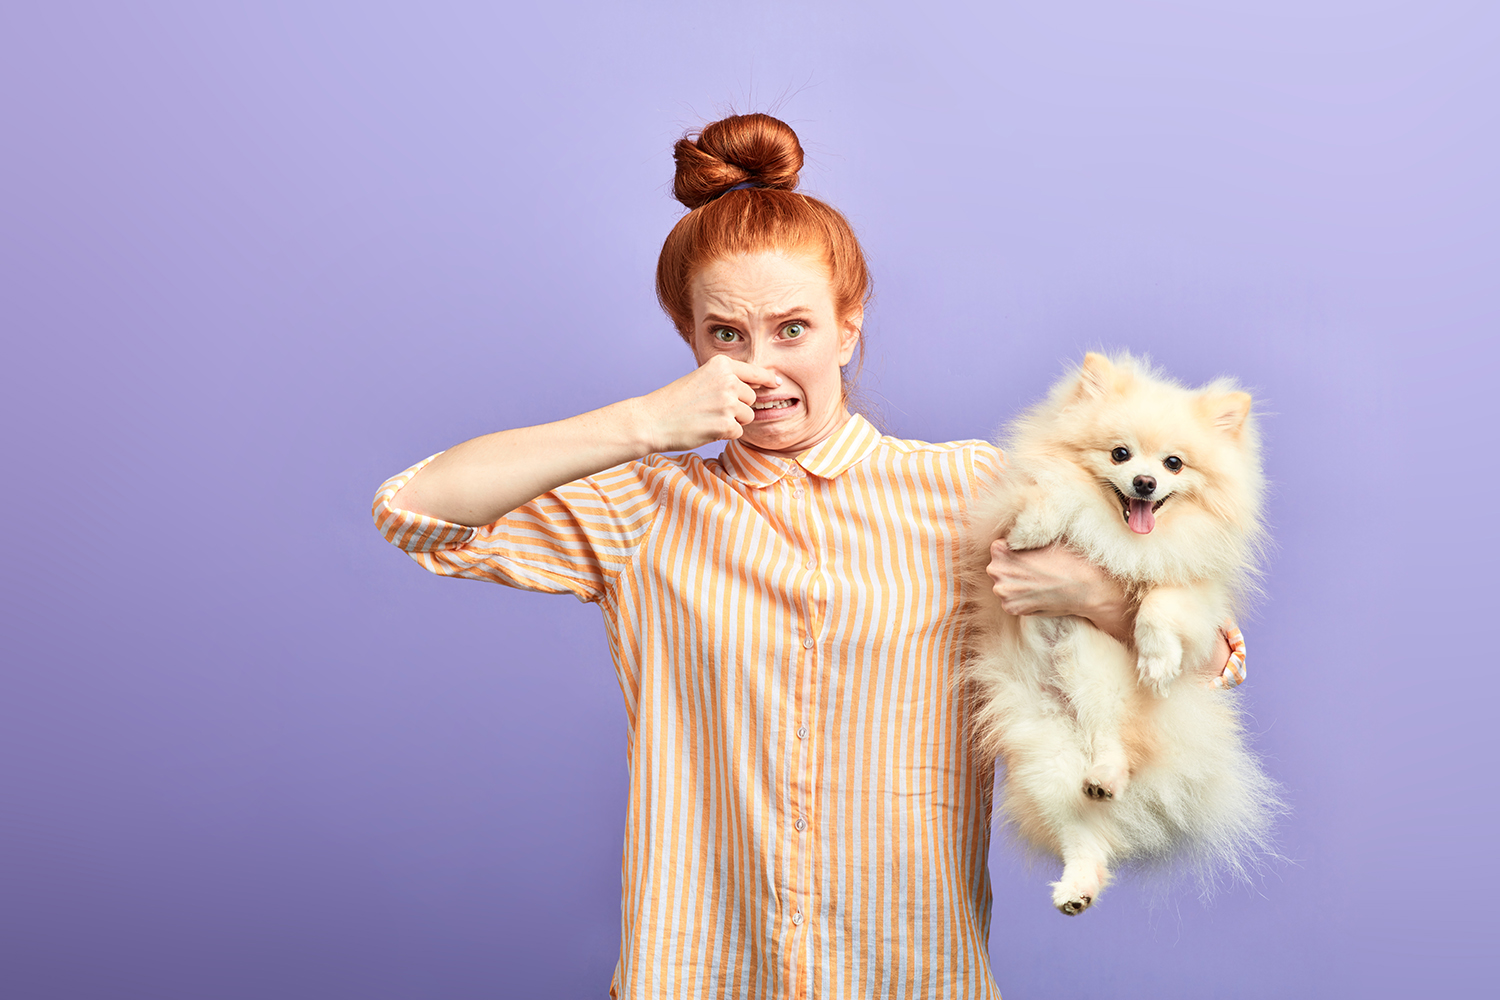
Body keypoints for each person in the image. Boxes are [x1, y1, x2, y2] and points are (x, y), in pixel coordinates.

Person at [371, 113, 1244, 998]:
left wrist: (1101, 598)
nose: (761, 367)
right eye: (726, 335)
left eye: (793, 329)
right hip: (698, 971)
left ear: (847, 326)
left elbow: (1211, 660)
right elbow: (411, 511)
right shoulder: (643, 508)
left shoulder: (973, 493)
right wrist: (642, 425)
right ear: (691, 342)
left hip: (908, 970)